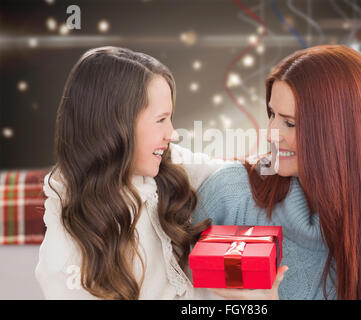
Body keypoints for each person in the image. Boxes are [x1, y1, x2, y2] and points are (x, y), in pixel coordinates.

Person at [35, 46, 287, 299]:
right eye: (160, 120)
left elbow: (233, 175)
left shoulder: (165, 164)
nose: (173, 134)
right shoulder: (67, 254)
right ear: (114, 128)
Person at [193, 45, 361, 300]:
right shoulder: (231, 192)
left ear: (338, 134)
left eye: (289, 123)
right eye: (272, 115)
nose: (270, 134)